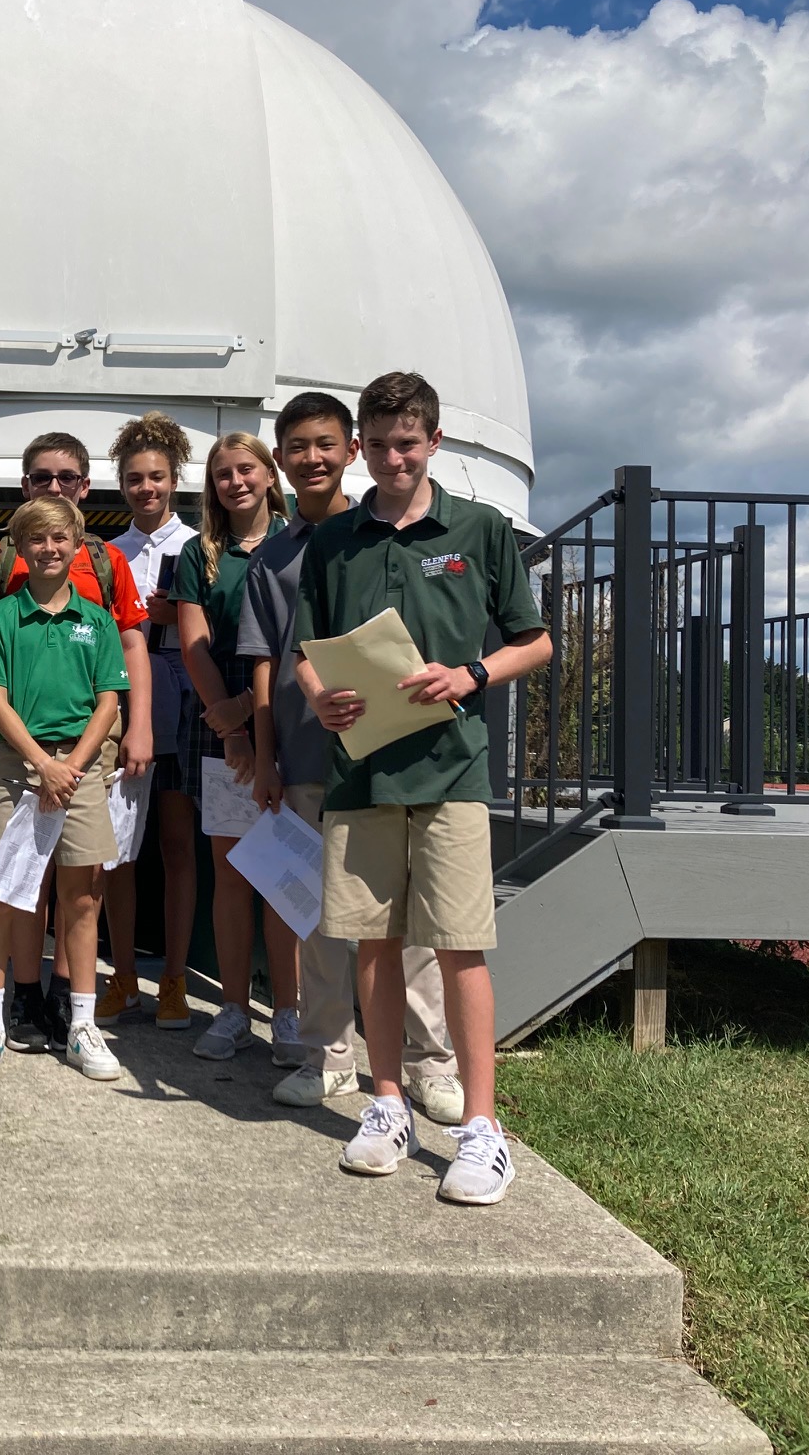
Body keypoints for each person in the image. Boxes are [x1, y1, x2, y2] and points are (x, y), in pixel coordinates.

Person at [292, 371, 550, 1206]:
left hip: (452, 773)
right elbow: (305, 649)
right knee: (372, 944)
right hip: (361, 772)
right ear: (360, 446)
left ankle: (481, 1129)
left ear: (434, 442)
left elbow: (534, 643)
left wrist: (473, 673)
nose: (394, 458)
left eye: (409, 443)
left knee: (458, 946)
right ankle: (387, 1104)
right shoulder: (333, 543)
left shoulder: (478, 530)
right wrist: (317, 697)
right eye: (380, 443)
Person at [245, 392, 462, 1119]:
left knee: (417, 924)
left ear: (352, 450)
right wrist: (266, 758)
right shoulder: (271, 556)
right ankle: (328, 1054)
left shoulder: (386, 533)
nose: (314, 458)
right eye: (298, 446)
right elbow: (266, 666)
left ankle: (430, 1063)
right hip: (310, 758)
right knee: (321, 920)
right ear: (283, 457)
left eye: (327, 444)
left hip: (397, 757)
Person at [0, 430, 151, 1052]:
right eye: (42, 478)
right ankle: (21, 999)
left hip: (87, 751)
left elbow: (125, 657)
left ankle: (76, 1008)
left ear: (84, 491)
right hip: (22, 748)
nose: (54, 488)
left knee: (83, 885)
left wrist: (131, 730)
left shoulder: (106, 567)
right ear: (24, 493)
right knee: (19, 884)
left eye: (66, 478)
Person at [173, 431, 294, 1063]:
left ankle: (292, 1013)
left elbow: (305, 636)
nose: (235, 482)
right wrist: (234, 726)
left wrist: (254, 709)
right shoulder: (201, 553)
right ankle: (235, 1009)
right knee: (232, 873)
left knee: (283, 873)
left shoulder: (303, 540)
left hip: (293, 722)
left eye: (246, 469)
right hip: (218, 729)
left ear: (270, 474)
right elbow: (195, 644)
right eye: (223, 474)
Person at [97, 412, 199, 1031]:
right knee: (117, 851)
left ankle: (176, 978)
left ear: (174, 479)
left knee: (178, 843)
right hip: (121, 693)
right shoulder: (108, 553)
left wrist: (175, 610)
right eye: (135, 478)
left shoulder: (196, 546)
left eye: (156, 477)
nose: (146, 489)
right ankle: (124, 976)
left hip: (182, 685)